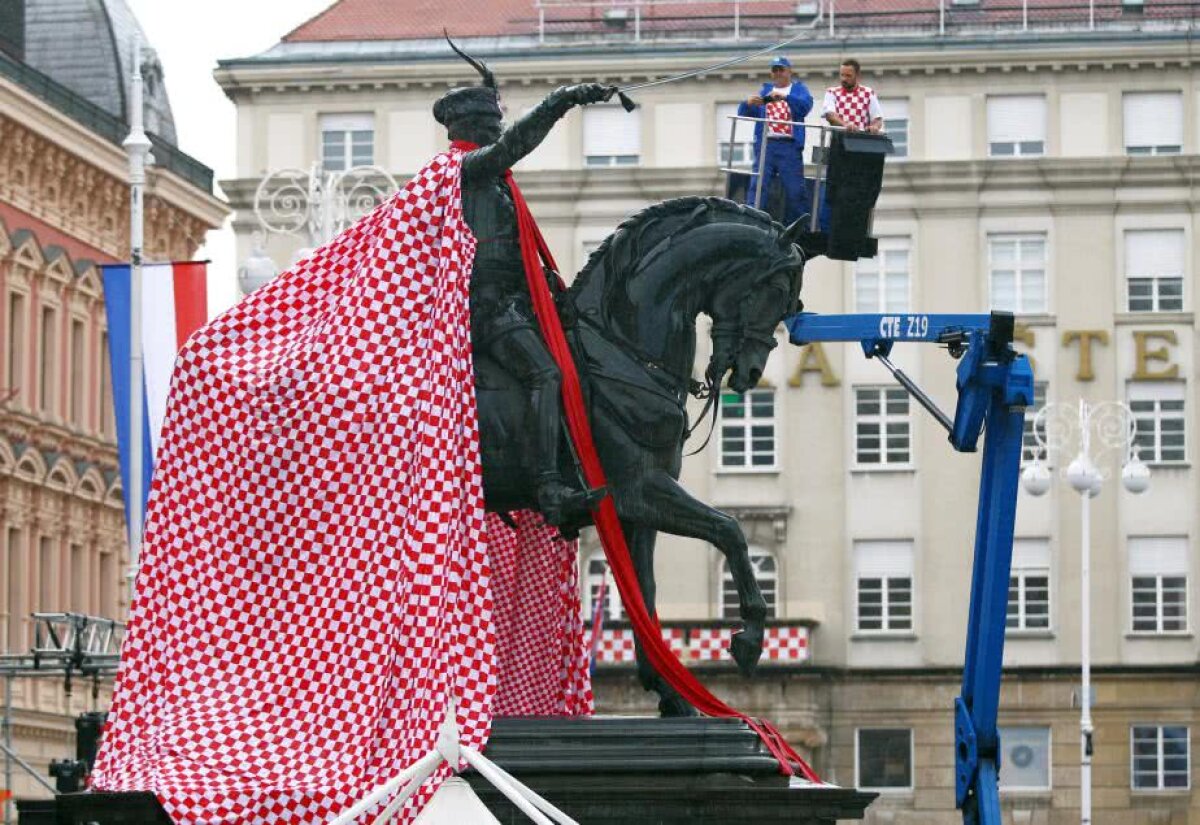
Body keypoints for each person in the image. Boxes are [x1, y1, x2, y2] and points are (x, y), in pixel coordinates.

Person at [433, 49, 610, 526]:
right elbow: (515, 145)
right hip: (483, 307)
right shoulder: (463, 171)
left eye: (496, 124)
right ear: (468, 128)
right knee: (545, 375)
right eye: (489, 126)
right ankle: (549, 485)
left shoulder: (492, 180)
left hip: (514, 301)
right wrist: (562, 99)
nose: (497, 133)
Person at [737, 56, 813, 224]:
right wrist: (747, 103)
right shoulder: (765, 91)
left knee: (795, 189)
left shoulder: (799, 90)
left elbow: (805, 107)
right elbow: (745, 113)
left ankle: (802, 226)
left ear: (789, 72)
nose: (778, 73)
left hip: (789, 146)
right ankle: (751, 221)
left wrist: (785, 98)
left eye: (781, 70)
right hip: (766, 145)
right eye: (774, 70)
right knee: (758, 185)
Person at [822, 58, 883, 133]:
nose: (844, 79)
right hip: (838, 141)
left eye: (848, 76)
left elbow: (877, 118)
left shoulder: (868, 93)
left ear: (857, 76)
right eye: (842, 75)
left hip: (861, 141)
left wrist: (874, 127)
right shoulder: (831, 92)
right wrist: (846, 126)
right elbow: (830, 116)